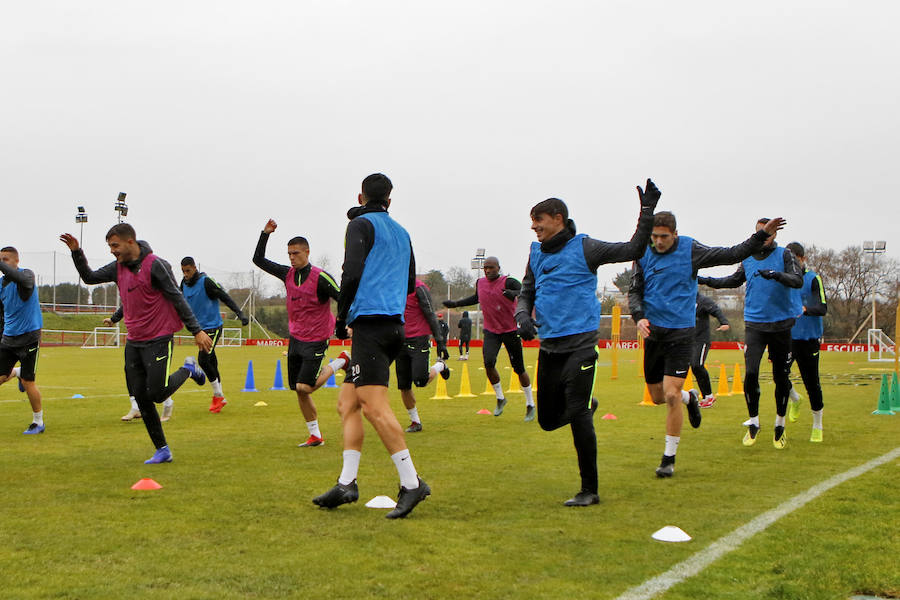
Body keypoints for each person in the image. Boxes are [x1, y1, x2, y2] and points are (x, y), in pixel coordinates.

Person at [516, 180, 658, 506]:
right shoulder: (536, 253)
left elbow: (633, 249)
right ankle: (587, 408)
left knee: (578, 415)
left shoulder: (585, 247)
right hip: (549, 348)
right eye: (532, 221)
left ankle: (589, 490)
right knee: (548, 421)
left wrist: (646, 211)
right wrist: (522, 316)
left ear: (558, 218)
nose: (533, 227)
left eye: (539, 220)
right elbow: (526, 293)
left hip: (581, 345)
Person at [630, 211, 785, 476]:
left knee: (669, 395)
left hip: (681, 332)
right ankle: (690, 398)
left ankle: (668, 459)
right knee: (657, 397)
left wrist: (761, 235)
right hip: (653, 334)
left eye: (664, 237)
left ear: (675, 234)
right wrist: (638, 316)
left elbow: (731, 253)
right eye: (654, 236)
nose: (658, 242)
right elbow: (635, 290)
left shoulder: (691, 250)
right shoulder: (642, 252)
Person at [312, 173, 430, 519]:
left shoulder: (360, 224)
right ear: (389, 201)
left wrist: (342, 314)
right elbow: (409, 281)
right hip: (394, 324)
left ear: (360, 196)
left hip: (371, 325)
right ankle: (347, 483)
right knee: (347, 402)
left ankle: (412, 484)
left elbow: (351, 272)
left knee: (374, 407)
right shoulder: (403, 232)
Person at [60, 225, 212, 464]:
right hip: (134, 341)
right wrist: (76, 252)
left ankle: (188, 369)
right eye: (110, 246)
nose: (112, 251)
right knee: (141, 397)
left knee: (158, 393)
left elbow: (176, 297)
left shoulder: (155, 265)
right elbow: (89, 278)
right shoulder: (117, 268)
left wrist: (197, 331)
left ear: (130, 242)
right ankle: (162, 450)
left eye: (115, 246)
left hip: (159, 338)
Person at [698, 217, 802, 449]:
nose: (765, 235)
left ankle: (780, 425)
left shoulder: (785, 255)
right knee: (751, 373)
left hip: (781, 325)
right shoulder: (747, 258)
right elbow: (733, 280)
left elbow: (797, 280)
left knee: (780, 377)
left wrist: (777, 275)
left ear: (775, 234)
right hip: (755, 324)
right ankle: (754, 422)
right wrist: (704, 280)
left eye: (768, 232)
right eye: (760, 231)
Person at [253, 219, 344, 448]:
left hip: (317, 338)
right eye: (289, 254)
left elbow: (343, 299)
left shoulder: (321, 277)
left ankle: (341, 361)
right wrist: (265, 234)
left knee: (305, 386)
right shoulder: (287, 274)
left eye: (295, 253)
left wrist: (345, 324)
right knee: (298, 390)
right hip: (296, 338)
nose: (291, 258)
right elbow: (259, 260)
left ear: (307, 252)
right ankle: (315, 435)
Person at [444, 256, 535, 421]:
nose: (487, 270)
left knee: (519, 368)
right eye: (485, 267)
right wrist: (455, 304)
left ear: (498, 268)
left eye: (491, 267)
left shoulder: (508, 281)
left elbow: (525, 293)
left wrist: (512, 293)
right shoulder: (480, 283)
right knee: (488, 363)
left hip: (510, 329)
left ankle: (530, 404)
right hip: (491, 331)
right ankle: (500, 398)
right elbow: (476, 298)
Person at [179, 257, 249, 414]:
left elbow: (224, 296)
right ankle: (221, 397)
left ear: (194, 268)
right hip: (198, 330)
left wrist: (240, 313)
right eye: (183, 271)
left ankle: (218, 395)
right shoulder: (183, 284)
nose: (185, 274)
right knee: (211, 361)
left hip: (213, 327)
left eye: (188, 271)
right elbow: (178, 301)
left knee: (203, 359)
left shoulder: (206, 282)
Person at [784, 242, 826, 442]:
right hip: (788, 337)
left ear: (803, 259)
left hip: (809, 339)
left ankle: (817, 425)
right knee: (779, 376)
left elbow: (823, 307)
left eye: (795, 260)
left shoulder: (813, 279)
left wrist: (806, 309)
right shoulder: (785, 280)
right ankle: (794, 398)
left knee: (812, 384)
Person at [0, 247, 45, 434]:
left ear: (16, 261)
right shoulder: (1, 284)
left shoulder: (26, 276)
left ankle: (38, 422)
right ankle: (15, 373)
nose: (3, 263)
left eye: (5, 259)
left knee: (28, 382)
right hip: (9, 339)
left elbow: (18, 278)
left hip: (29, 338)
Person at [397, 279, 450, 433]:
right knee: (404, 385)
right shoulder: (393, 285)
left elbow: (430, 313)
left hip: (419, 339)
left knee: (420, 381)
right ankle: (415, 421)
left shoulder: (419, 288)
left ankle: (440, 365)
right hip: (399, 339)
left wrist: (440, 341)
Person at [693, 293, 730, 408]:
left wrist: (724, 322)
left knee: (697, 365)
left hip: (701, 340)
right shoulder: (682, 299)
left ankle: (708, 396)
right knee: (689, 367)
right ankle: (685, 394)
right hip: (687, 339)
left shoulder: (702, 300)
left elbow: (715, 310)